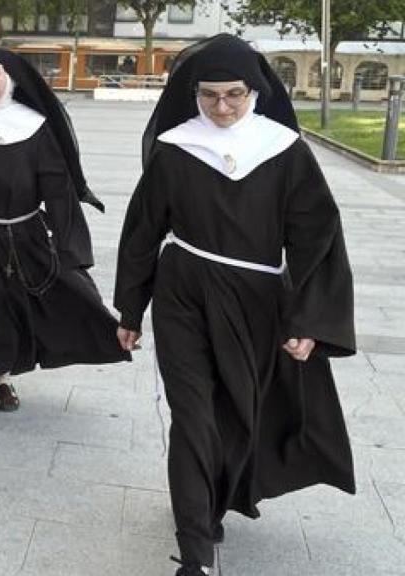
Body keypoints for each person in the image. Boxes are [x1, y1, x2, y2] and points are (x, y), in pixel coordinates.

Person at [114, 34, 356, 576]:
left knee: (234, 413)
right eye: (208, 96)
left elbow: (318, 237)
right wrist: (131, 311)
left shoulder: (284, 151)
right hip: (183, 294)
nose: (221, 108)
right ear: (192, 94)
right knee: (192, 416)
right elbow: (142, 231)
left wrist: (307, 319)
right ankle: (194, 551)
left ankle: (213, 500)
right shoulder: (177, 148)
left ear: (257, 92)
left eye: (234, 95)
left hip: (257, 300)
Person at [0, 48, 130, 436]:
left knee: (6, 311)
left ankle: (2, 380)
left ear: (12, 79)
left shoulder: (34, 127)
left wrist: (67, 247)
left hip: (21, 236)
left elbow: (57, 189)